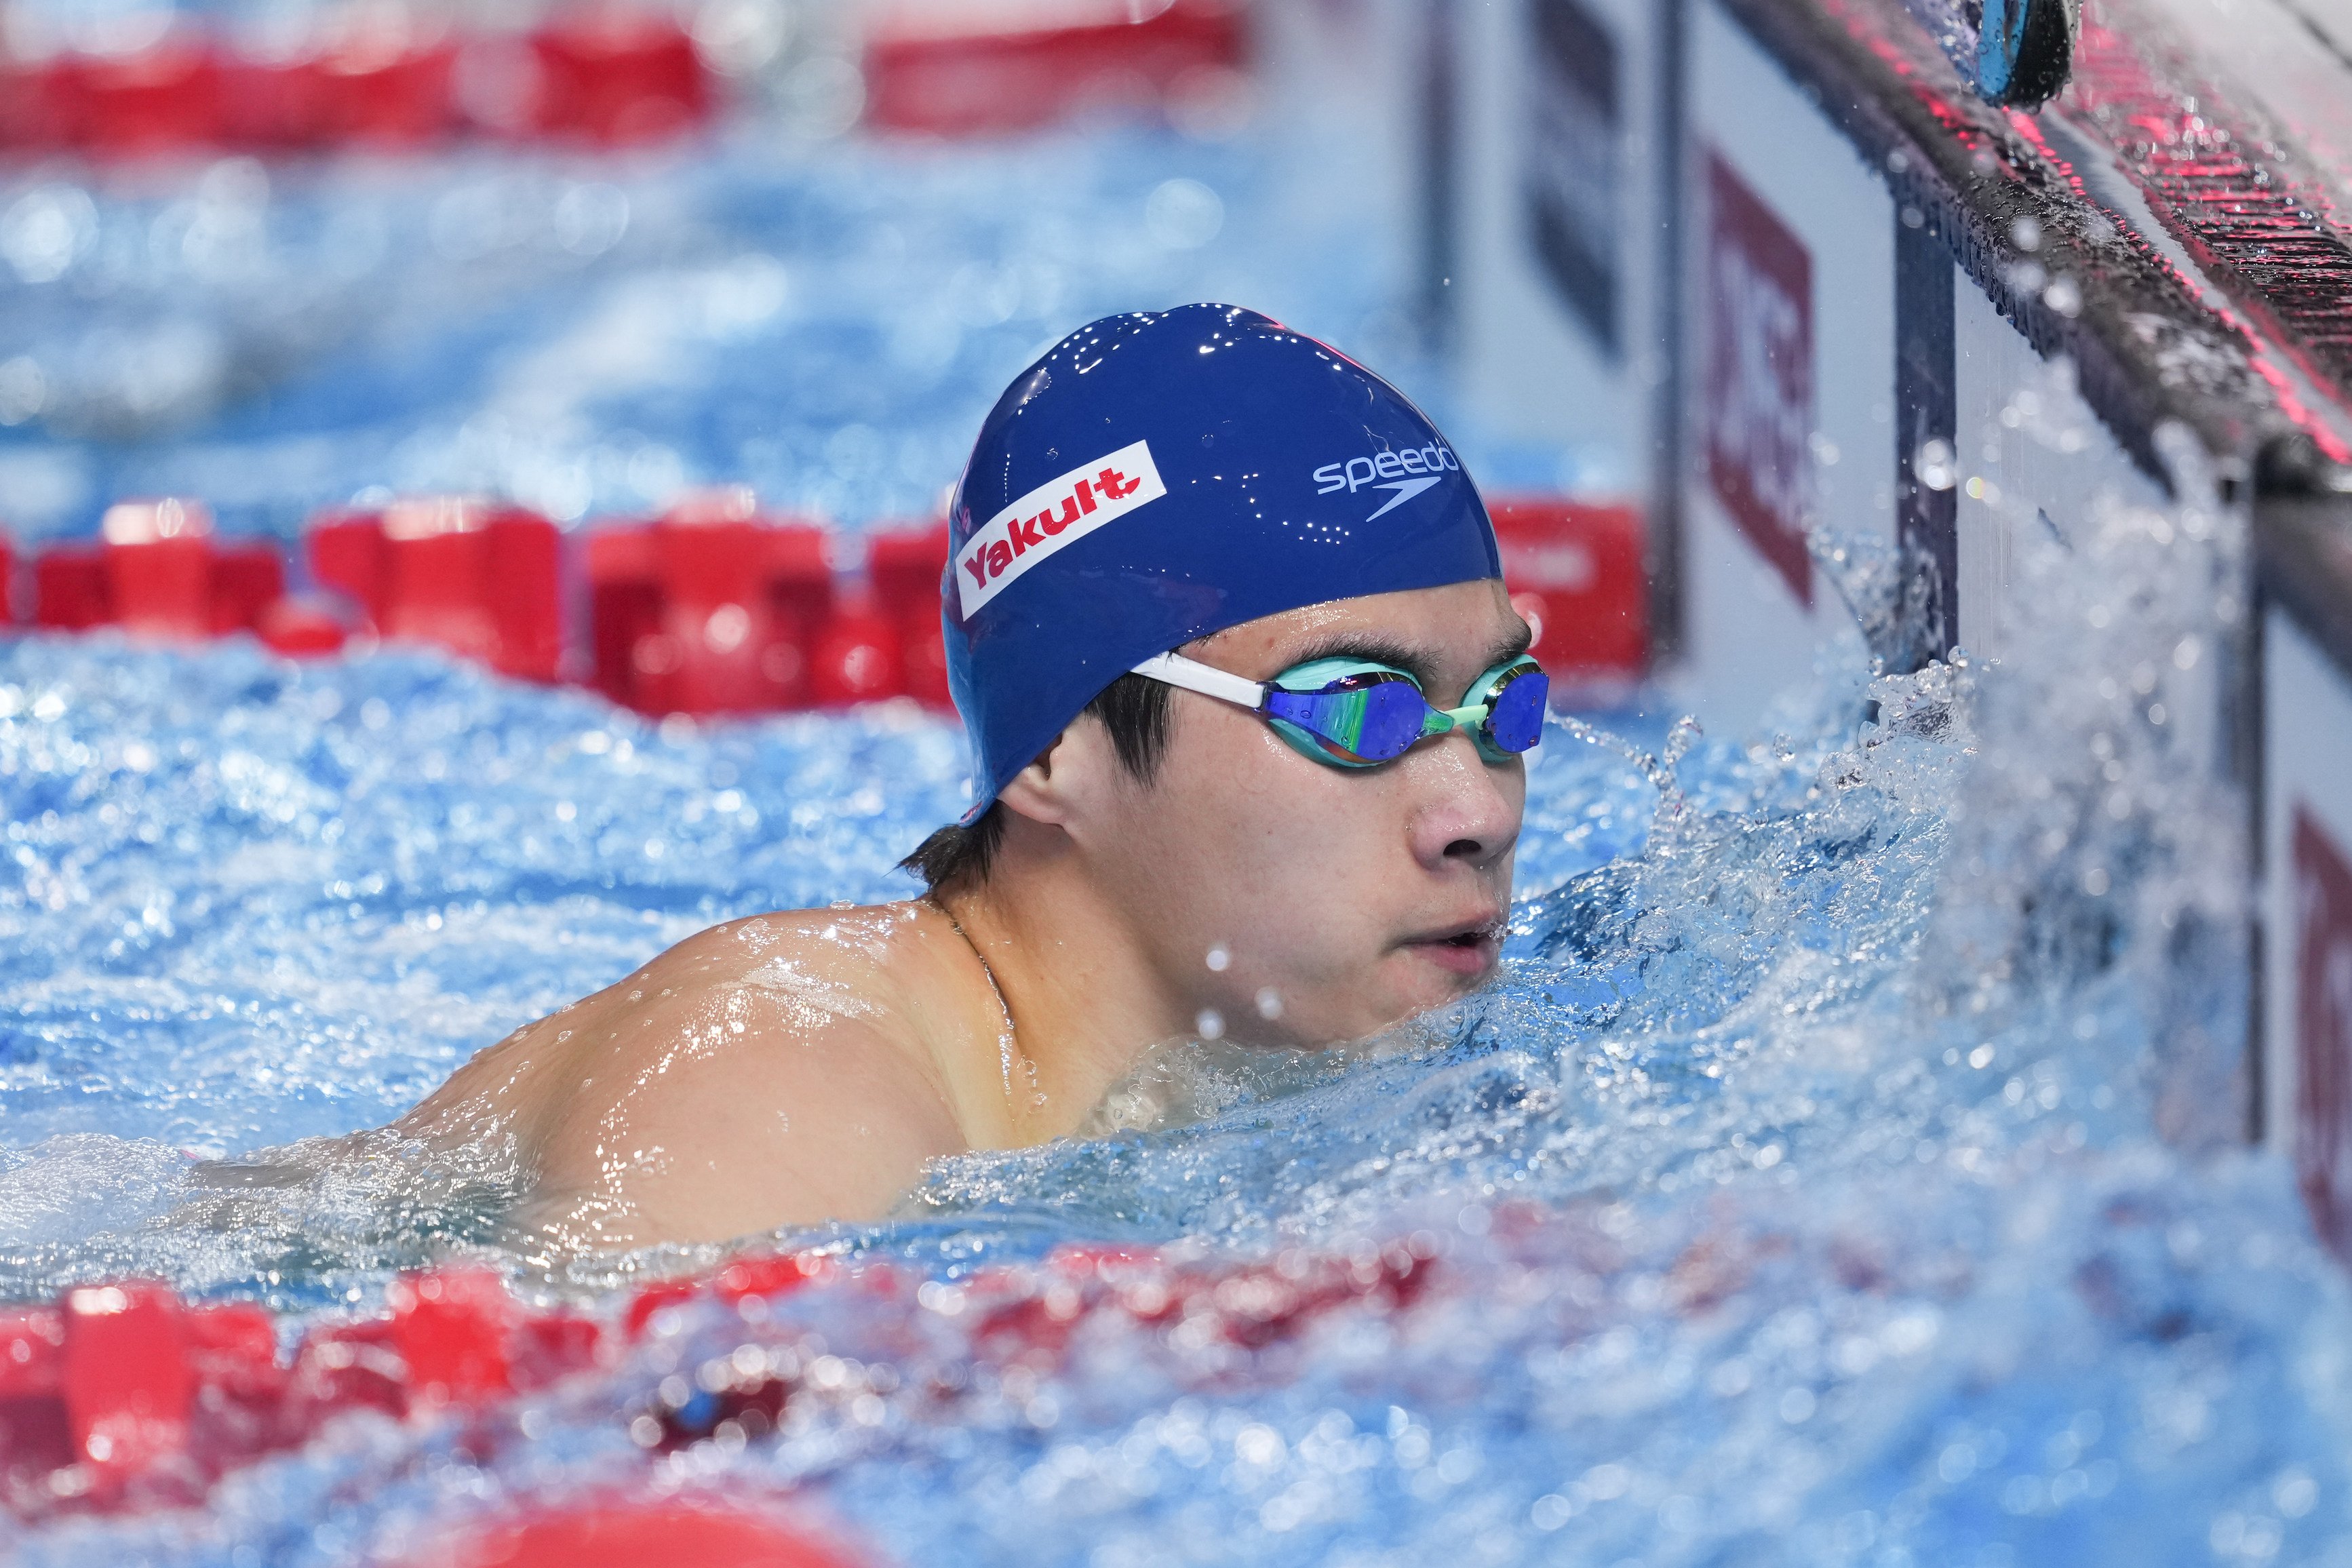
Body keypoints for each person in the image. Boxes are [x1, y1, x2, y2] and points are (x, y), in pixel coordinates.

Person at [399, 304, 1549, 1251]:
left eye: (1504, 706)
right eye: (1356, 710)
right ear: (1057, 743)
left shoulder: (1297, 1077)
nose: (1479, 811)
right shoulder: (774, 1081)